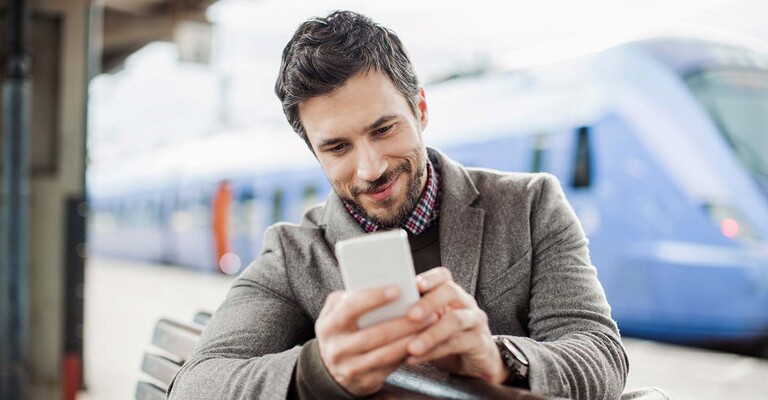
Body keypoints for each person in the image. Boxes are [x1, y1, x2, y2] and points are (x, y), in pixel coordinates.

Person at [168, 10, 628, 400]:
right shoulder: (293, 255)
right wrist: (318, 370)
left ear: (420, 109)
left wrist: (498, 358)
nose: (370, 168)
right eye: (338, 148)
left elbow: (601, 353)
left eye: (383, 129)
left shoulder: (529, 206)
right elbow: (194, 386)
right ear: (315, 152)